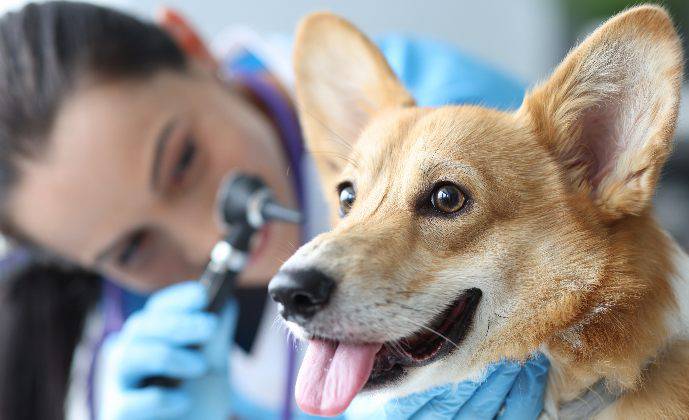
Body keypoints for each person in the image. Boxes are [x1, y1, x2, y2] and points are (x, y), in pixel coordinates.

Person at [0, 1, 548, 419]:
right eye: (133, 248)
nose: (208, 234)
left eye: (183, 162)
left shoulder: (456, 127)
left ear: (192, 46)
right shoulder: (113, 346)